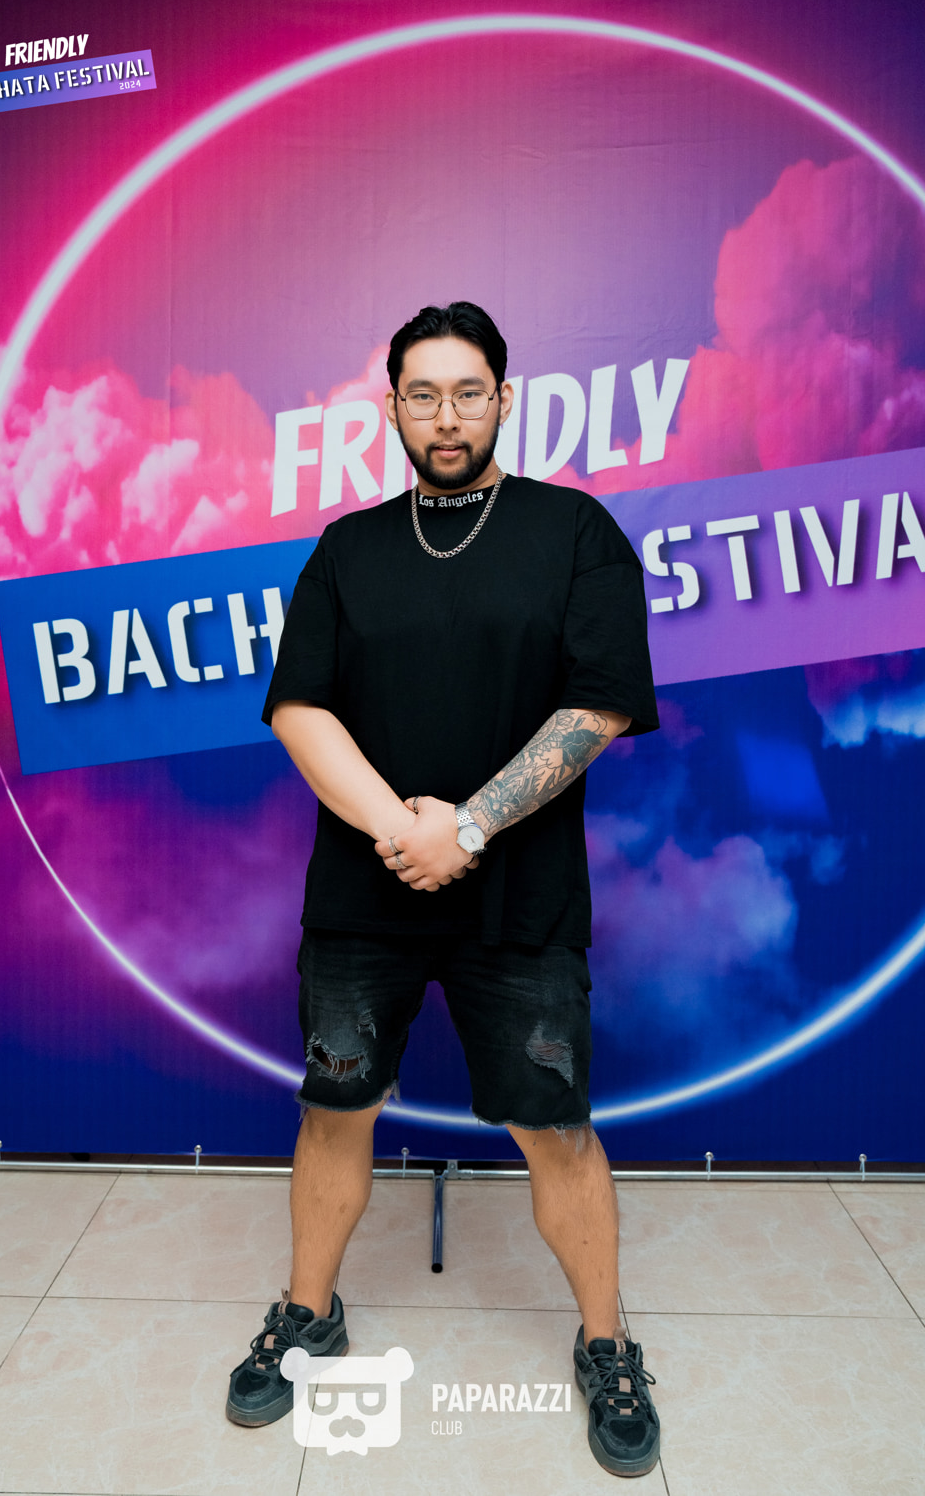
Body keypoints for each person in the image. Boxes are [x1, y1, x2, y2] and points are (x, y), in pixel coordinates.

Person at [226, 302, 661, 1478]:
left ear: (504, 400)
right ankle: (308, 1311)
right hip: (363, 897)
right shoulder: (346, 549)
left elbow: (599, 704)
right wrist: (403, 832)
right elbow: (299, 709)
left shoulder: (575, 533)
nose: (447, 416)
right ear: (392, 410)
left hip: (519, 898)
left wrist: (467, 827)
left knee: (555, 1126)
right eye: (423, 395)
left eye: (469, 392)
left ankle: (607, 1342)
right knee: (335, 1107)